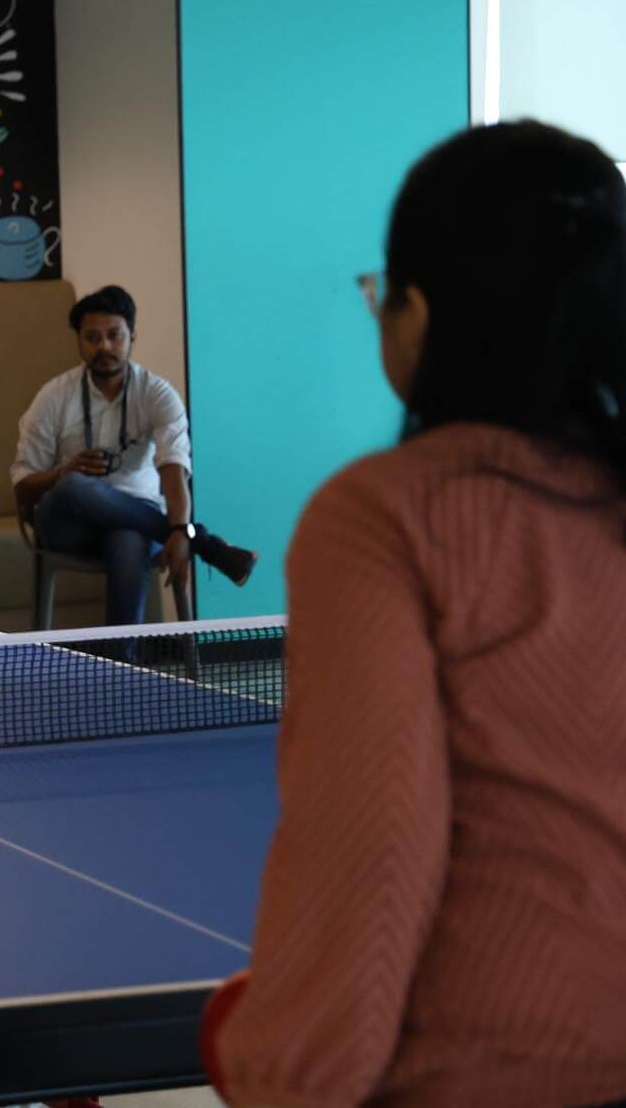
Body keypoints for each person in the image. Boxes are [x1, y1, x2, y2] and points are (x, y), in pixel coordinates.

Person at [208, 121, 626, 1108]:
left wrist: (285, 1072)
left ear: (420, 313)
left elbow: (369, 857)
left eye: (378, 292)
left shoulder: (386, 516)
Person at [10, 284, 254, 625]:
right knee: (74, 485)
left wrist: (179, 527)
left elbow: (174, 465)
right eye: (92, 337)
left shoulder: (156, 393)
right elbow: (22, 489)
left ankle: (122, 668)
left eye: (114, 335)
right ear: (78, 341)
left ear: (132, 337)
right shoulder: (54, 396)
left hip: (139, 524)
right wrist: (63, 473)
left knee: (128, 542)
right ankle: (205, 542)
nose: (104, 346)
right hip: (66, 525)